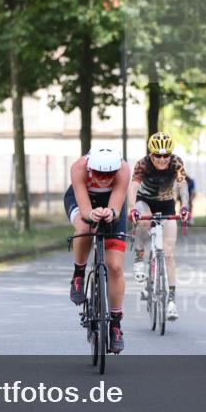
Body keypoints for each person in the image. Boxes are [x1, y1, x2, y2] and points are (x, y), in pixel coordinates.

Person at [65, 147, 131, 353]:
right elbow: (85, 210)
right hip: (82, 200)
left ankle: (115, 325)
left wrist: (111, 212)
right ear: (91, 168)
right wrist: (92, 214)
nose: (104, 178)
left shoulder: (124, 169)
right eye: (100, 174)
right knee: (84, 227)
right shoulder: (79, 168)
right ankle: (78, 274)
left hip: (111, 202)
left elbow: (116, 206)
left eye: (109, 174)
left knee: (115, 267)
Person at [128, 132, 191, 322]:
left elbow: (182, 186)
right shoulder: (143, 164)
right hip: (145, 201)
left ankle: (171, 301)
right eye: (158, 155)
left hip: (166, 204)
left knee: (169, 253)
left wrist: (185, 206)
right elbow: (132, 187)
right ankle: (139, 258)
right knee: (144, 220)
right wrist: (132, 208)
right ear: (151, 154)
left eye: (166, 155)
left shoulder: (176, 162)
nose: (162, 160)